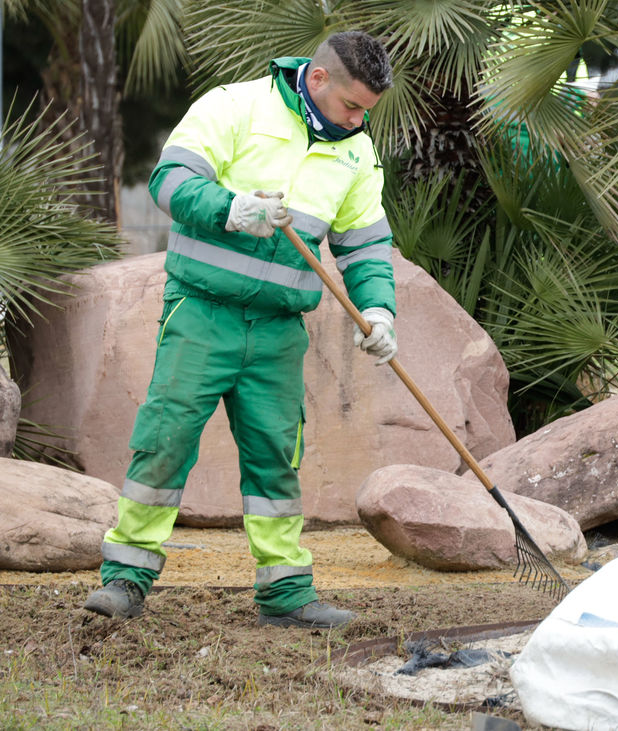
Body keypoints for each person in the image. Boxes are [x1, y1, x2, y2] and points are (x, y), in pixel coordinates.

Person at [83, 31, 399, 628]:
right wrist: (234, 209)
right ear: (320, 78)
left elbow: (366, 248)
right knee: (166, 437)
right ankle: (125, 580)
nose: (359, 120)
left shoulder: (356, 153)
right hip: (201, 311)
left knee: (276, 459)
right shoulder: (234, 106)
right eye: (352, 105)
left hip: (280, 329)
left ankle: (285, 595)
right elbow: (169, 183)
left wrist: (379, 312)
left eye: (367, 112)